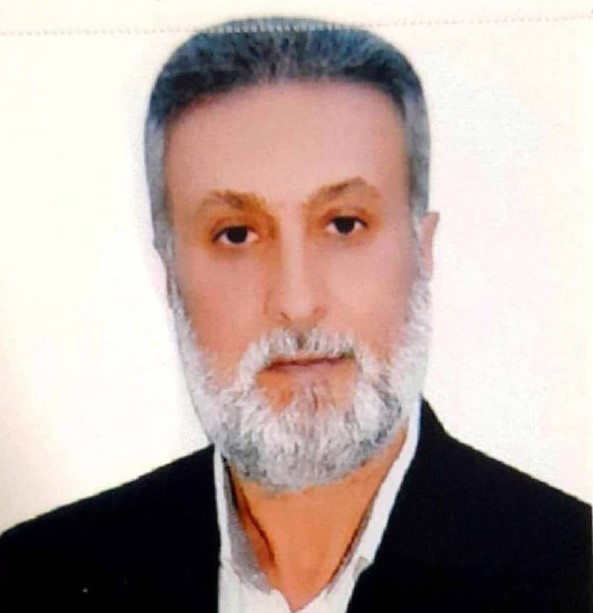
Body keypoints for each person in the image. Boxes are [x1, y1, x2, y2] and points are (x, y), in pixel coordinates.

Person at [0, 16, 590, 612]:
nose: (298, 302)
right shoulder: (32, 579)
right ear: (170, 273)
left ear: (423, 248)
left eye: (344, 224)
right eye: (236, 234)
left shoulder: (573, 572)